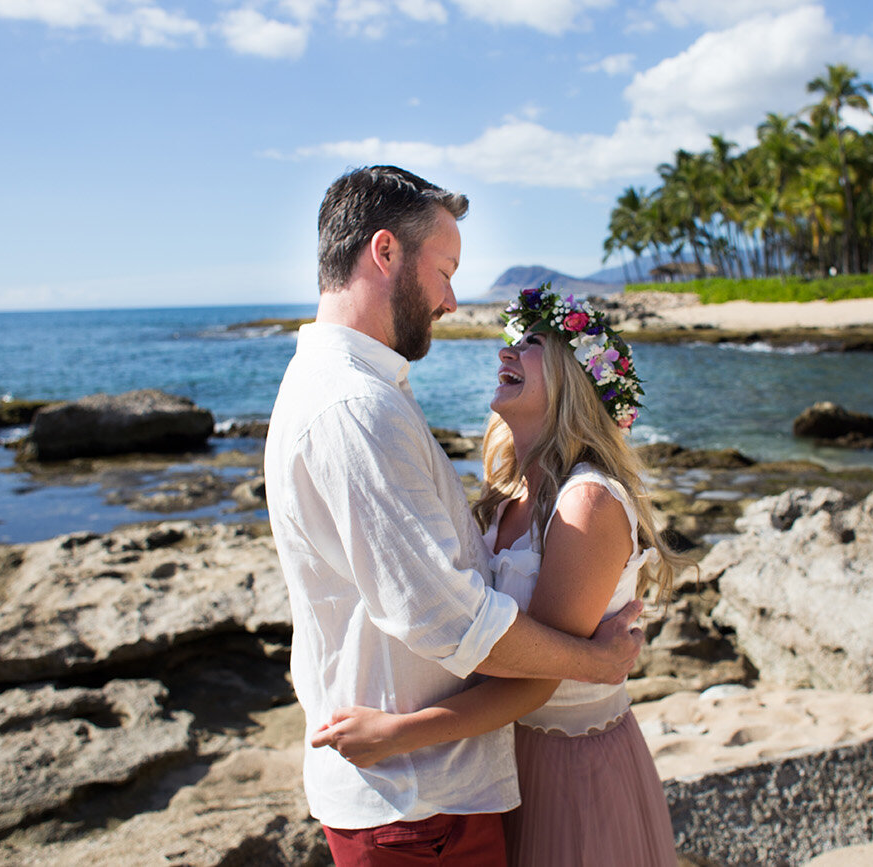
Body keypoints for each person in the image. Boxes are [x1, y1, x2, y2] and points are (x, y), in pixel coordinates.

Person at [264, 166, 646, 866]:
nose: (451, 297)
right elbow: (451, 618)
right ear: (385, 253)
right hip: (418, 803)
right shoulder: (354, 405)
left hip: (432, 791)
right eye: (444, 270)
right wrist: (595, 660)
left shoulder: (354, 390)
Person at [315, 284, 690, 866]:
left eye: (532, 342)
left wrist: (397, 734)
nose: (505, 352)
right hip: (496, 757)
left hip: (567, 765)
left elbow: (537, 676)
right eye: (511, 340)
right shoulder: (506, 492)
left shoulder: (585, 503)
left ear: (574, 378)